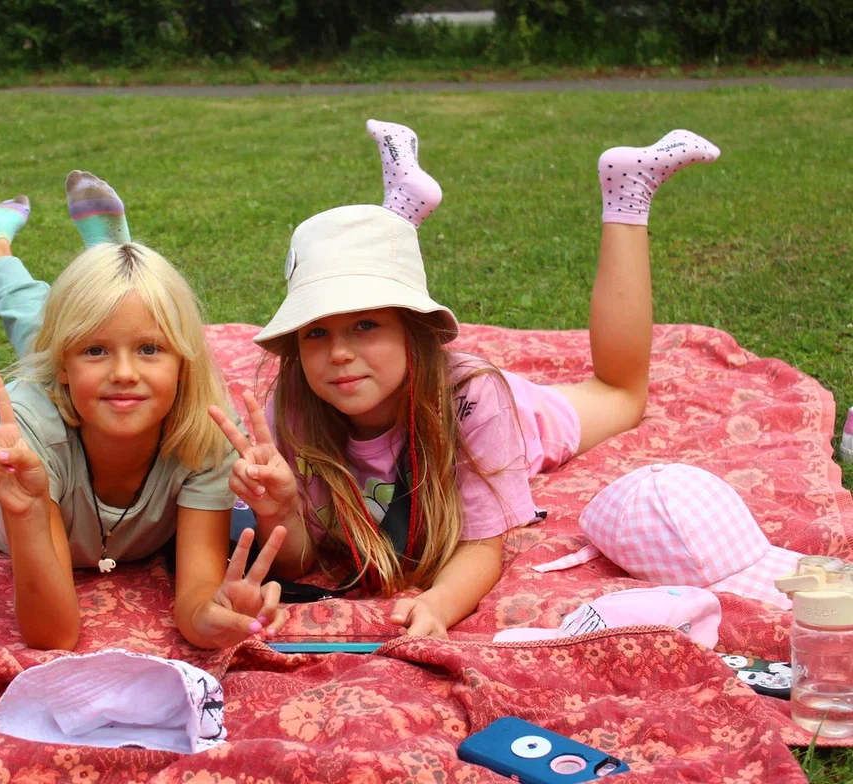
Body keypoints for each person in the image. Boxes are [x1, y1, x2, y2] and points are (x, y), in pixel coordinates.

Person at [210, 120, 721, 638]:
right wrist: (277, 511)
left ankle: (628, 194)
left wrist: (440, 603)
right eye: (315, 332)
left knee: (622, 394)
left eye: (365, 325)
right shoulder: (291, 409)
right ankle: (400, 209)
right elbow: (302, 560)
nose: (338, 354)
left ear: (415, 330)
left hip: (514, 413)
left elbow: (481, 546)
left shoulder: (475, 399)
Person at [0, 172, 287, 651]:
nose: (124, 373)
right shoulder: (25, 440)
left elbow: (197, 602)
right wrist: (28, 511)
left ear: (185, 363)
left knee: (69, 328)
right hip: (45, 409)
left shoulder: (207, 431)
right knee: (41, 332)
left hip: (79, 385)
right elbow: (54, 636)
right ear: (64, 367)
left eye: (150, 348)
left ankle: (109, 271)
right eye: (96, 350)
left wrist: (214, 617)